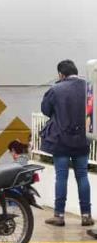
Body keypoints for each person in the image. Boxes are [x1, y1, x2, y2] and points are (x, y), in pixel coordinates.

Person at [40, 59, 93, 230]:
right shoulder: (89, 87)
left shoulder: (56, 89)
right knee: (83, 176)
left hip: (61, 140)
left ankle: (59, 215)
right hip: (82, 139)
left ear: (61, 74)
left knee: (61, 176)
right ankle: (86, 215)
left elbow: (46, 110)